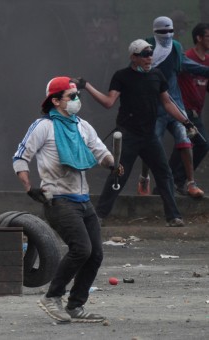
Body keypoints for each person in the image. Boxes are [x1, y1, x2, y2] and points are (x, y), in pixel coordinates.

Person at [13, 76, 118, 323]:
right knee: (81, 249)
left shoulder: (82, 126)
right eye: (72, 96)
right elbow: (20, 158)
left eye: (76, 95)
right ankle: (52, 297)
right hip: (58, 200)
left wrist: (112, 164)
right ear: (56, 100)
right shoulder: (43, 126)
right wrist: (29, 188)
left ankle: (75, 306)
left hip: (83, 200)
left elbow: (101, 152)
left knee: (95, 255)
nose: (77, 100)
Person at [80, 39, 194, 227]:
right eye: (144, 55)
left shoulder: (157, 76)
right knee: (118, 174)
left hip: (149, 136)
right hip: (128, 135)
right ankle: (99, 215)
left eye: (150, 54)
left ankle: (173, 216)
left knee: (164, 174)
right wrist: (87, 86)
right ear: (133, 57)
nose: (149, 57)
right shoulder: (122, 76)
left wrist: (186, 122)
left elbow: (167, 103)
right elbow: (109, 102)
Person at [137, 16, 209, 198]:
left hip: (175, 103)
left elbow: (188, 65)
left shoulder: (176, 48)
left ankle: (189, 183)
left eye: (170, 31)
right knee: (151, 143)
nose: (166, 35)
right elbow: (136, 72)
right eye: (162, 32)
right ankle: (145, 178)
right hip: (155, 107)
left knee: (186, 142)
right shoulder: (147, 46)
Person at [173, 23, 209, 194]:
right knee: (201, 143)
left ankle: (168, 183)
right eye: (208, 36)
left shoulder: (208, 60)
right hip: (184, 109)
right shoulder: (186, 57)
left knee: (182, 146)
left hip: (197, 110)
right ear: (199, 38)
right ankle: (180, 180)